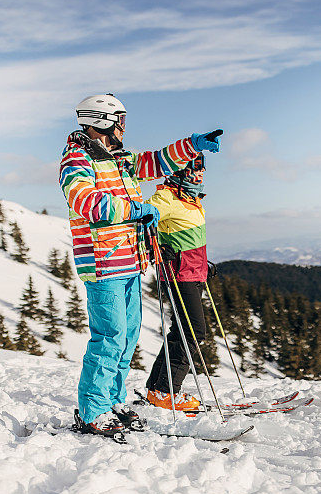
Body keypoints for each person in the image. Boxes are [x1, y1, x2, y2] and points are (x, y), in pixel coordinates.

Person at [59, 93, 221, 437]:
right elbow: (86, 201)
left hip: (130, 260)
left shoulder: (119, 159)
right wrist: (133, 211)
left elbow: (155, 162)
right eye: (120, 120)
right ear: (102, 121)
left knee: (128, 336)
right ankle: (92, 410)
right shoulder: (76, 159)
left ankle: (114, 400)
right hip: (103, 263)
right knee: (110, 337)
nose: (123, 127)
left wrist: (191, 146)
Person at [144, 152, 213, 411]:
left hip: (192, 271)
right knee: (194, 331)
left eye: (202, 169)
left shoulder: (192, 199)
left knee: (181, 331)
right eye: (195, 168)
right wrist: (156, 249)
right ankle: (166, 392)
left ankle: (157, 389)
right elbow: (143, 221)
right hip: (178, 274)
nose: (200, 174)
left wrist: (203, 263)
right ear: (181, 170)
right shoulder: (167, 197)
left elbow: (186, 239)